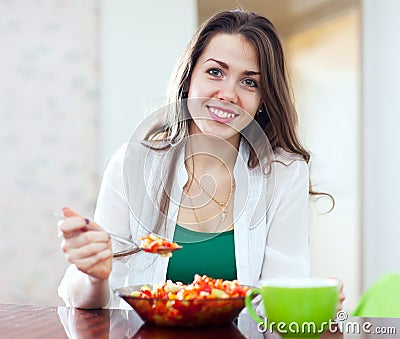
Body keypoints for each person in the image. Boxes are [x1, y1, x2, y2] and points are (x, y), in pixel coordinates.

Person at [58, 9, 344, 310]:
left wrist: (312, 306)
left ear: (263, 100)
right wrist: (93, 275)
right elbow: (86, 301)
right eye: (215, 72)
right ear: (188, 79)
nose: (228, 94)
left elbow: (280, 294)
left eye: (249, 83)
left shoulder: (285, 173)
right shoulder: (131, 164)